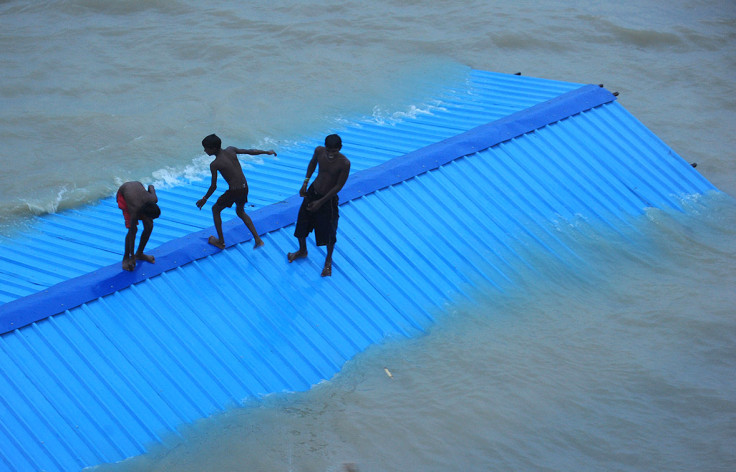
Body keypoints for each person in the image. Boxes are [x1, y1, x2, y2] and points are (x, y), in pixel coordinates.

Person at [196, 134, 276, 249]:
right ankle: (258, 239)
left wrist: (204, 199)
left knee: (215, 209)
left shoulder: (215, 164)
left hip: (234, 191)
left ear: (213, 149)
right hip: (244, 187)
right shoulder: (231, 149)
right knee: (240, 212)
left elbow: (213, 186)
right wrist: (266, 152)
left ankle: (221, 242)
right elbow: (250, 151)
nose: (204, 150)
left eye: (206, 148)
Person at [287, 134, 351, 277]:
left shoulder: (344, 163)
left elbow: (338, 186)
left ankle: (328, 261)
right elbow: (312, 163)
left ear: (339, 149)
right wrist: (305, 183)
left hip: (328, 200)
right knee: (302, 223)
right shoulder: (319, 151)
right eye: (328, 151)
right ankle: (302, 250)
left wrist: (320, 202)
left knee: (329, 231)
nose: (330, 155)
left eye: (333, 152)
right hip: (312, 192)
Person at [117, 181, 161, 271]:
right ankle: (126, 258)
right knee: (133, 230)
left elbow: (151, 186)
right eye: (151, 217)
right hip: (124, 196)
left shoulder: (153, 199)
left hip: (138, 190)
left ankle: (140, 253)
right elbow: (132, 233)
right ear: (143, 215)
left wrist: (146, 192)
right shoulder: (134, 210)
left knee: (149, 225)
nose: (151, 219)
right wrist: (131, 257)